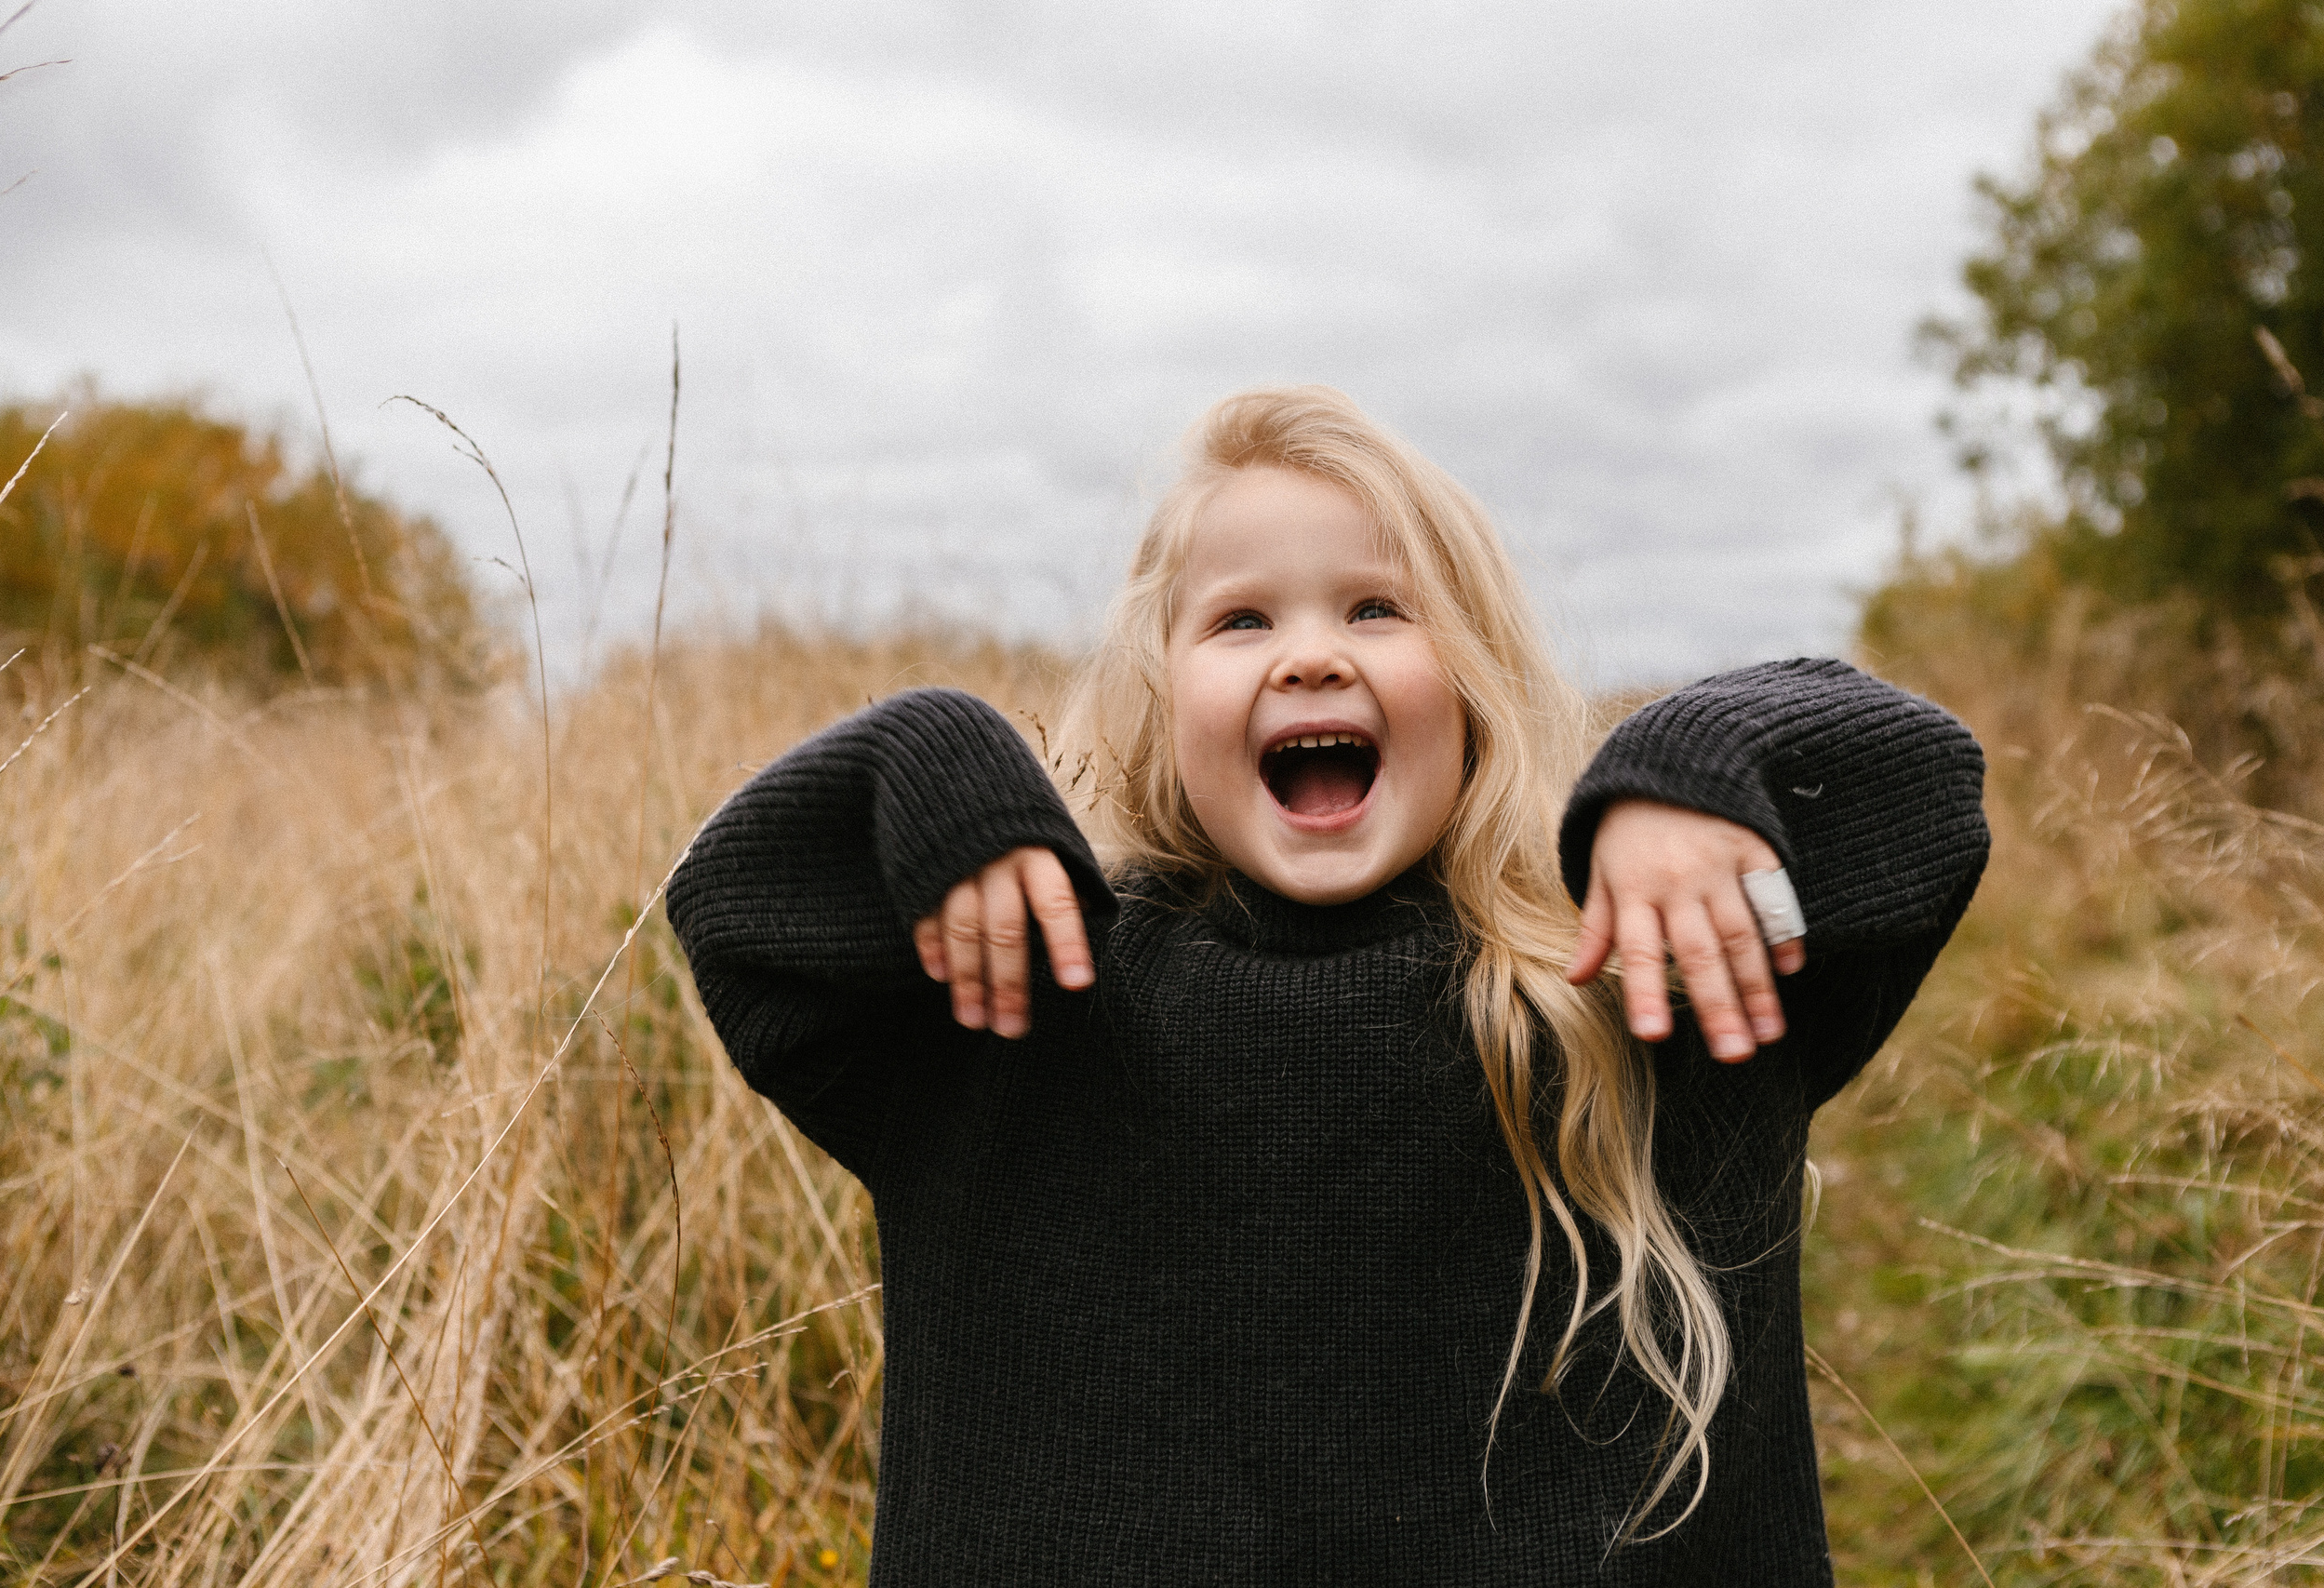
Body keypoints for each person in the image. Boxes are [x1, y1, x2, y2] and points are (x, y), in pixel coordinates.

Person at [666, 386, 1989, 1585]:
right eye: (1241, 620)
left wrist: (1693, 768)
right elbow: (739, 914)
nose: (1311, 655)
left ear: (1474, 684)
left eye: (1377, 608)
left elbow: (1924, 792)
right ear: (1159, 698)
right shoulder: (1033, 999)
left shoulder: (1625, 983)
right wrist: (932, 757)